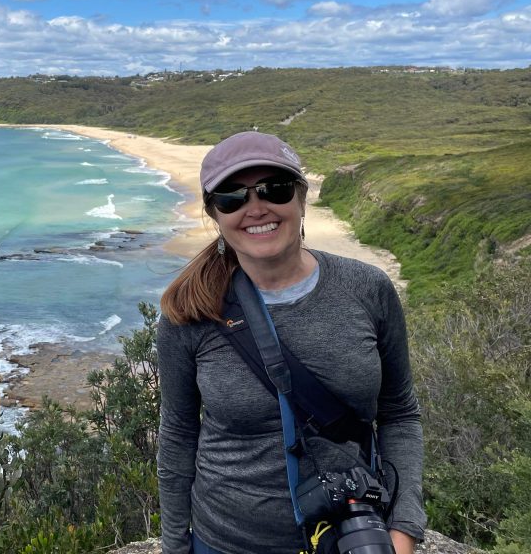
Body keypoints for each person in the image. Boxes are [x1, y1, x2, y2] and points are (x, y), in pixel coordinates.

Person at [156, 131, 425, 554]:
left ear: (302, 197)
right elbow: (178, 433)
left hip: (351, 534)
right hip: (226, 540)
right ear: (214, 213)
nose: (255, 208)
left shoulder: (367, 288)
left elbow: (400, 413)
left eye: (274, 189)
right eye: (232, 197)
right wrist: (175, 546)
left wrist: (405, 526)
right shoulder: (191, 310)